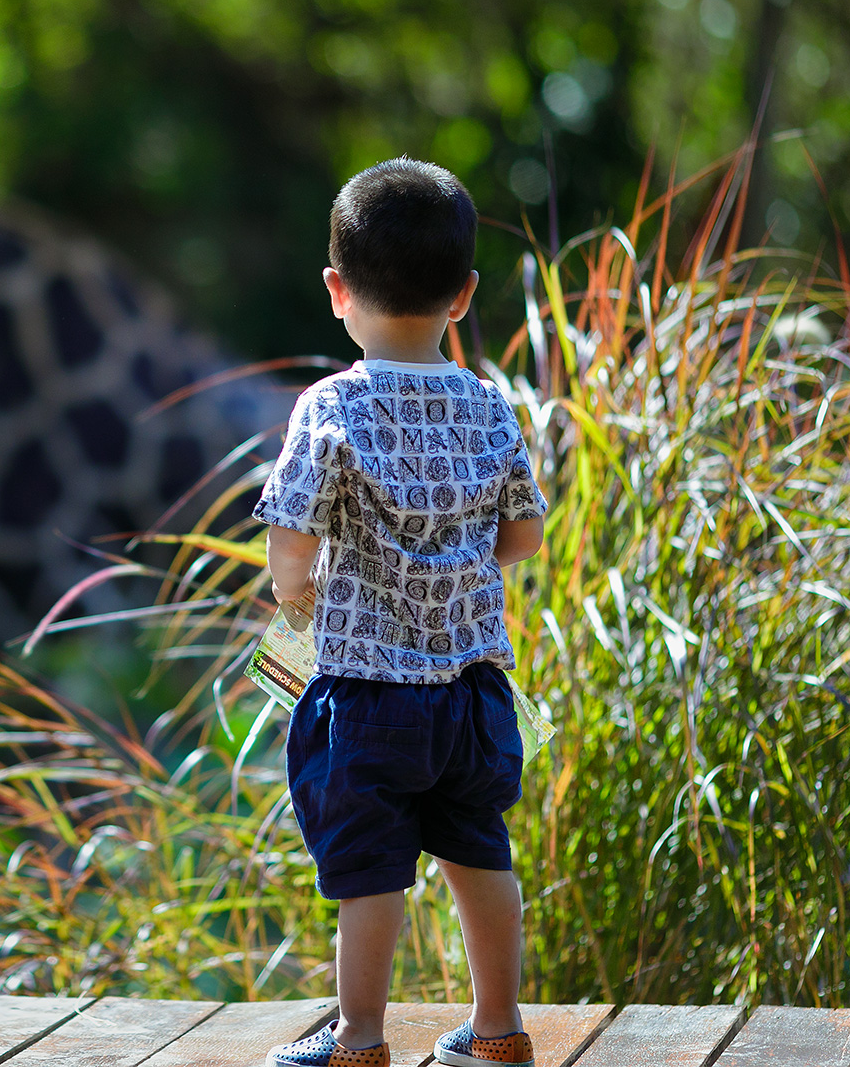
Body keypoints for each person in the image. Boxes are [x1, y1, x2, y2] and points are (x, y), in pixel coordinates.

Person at [255, 158, 548, 1067]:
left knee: (368, 868)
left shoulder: (330, 405)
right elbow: (526, 533)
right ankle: (497, 1030)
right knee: (480, 854)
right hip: (471, 692)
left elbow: (292, 547)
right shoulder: (488, 403)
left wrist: (294, 594)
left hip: (369, 695)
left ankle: (360, 1039)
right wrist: (466, 561)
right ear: (463, 296)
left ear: (338, 291)